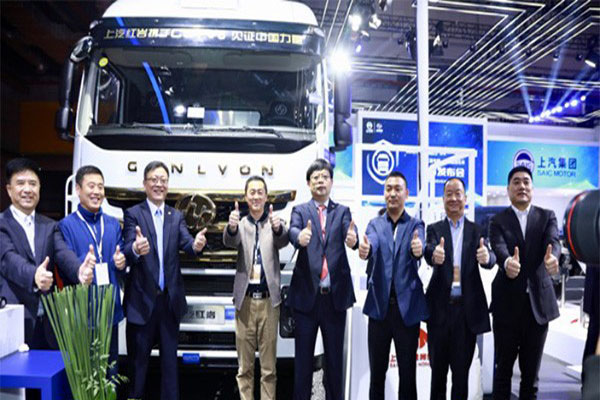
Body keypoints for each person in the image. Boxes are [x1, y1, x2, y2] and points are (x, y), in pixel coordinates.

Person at [122, 161, 207, 400]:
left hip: (169, 303)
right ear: (145, 184)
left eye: (163, 180)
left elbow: (187, 243)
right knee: (138, 367)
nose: (159, 184)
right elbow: (126, 249)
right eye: (154, 180)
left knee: (170, 369)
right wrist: (136, 248)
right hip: (142, 302)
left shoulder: (175, 216)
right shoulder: (133, 214)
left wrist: (196, 245)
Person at [0, 158, 95, 349]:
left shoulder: (50, 225)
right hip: (14, 319)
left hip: (48, 322)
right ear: (9, 190)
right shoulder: (2, 224)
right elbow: (9, 260)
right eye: (21, 183)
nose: (27, 189)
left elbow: (62, 252)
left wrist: (79, 271)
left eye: (33, 183)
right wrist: (34, 276)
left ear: (39, 188)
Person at [288, 158, 358, 400]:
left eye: (325, 177)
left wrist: (353, 240)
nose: (320, 181)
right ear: (309, 183)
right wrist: (299, 237)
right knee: (303, 364)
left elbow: (351, 232)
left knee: (335, 363)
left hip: (334, 300)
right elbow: (293, 230)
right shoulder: (300, 210)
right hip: (306, 298)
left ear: (331, 182)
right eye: (315, 178)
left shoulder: (342, 211)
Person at [489, 165, 560, 399]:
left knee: (531, 377)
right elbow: (498, 247)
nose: (522, 186)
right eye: (516, 182)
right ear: (508, 189)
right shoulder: (497, 220)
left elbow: (553, 241)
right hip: (506, 307)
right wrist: (507, 261)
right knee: (503, 373)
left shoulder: (547, 216)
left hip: (537, 308)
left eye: (526, 182)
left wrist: (553, 257)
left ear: (532, 188)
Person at [423, 177, 496, 400]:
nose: (453, 198)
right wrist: (433, 255)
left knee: (461, 377)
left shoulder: (477, 230)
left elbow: (490, 256)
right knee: (437, 376)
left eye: (458, 193)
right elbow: (428, 250)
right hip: (439, 311)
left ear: (465, 198)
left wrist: (487, 258)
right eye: (449, 194)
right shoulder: (434, 229)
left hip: (466, 314)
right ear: (443, 199)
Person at [358, 171, 428, 400]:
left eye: (398, 189)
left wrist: (418, 250)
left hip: (407, 312)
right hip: (379, 310)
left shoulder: (416, 224)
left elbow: (419, 244)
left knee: (408, 376)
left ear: (406, 193)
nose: (393, 194)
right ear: (384, 193)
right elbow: (372, 243)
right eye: (388, 189)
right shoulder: (375, 224)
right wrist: (366, 249)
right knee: (377, 376)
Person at [223, 176, 289, 400]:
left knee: (269, 369)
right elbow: (230, 241)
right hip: (245, 302)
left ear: (266, 196)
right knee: (245, 368)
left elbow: (283, 240)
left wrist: (278, 228)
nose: (256, 196)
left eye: (260, 192)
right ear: (245, 197)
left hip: (270, 302)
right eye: (252, 192)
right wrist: (231, 228)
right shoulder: (240, 223)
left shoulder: (275, 222)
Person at [58, 165, 126, 376]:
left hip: (110, 309)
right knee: (85, 375)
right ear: (78, 189)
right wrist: (82, 265)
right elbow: (65, 264)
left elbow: (120, 261)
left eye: (100, 187)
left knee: (111, 372)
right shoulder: (65, 225)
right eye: (91, 186)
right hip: (82, 312)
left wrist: (121, 262)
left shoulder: (113, 224)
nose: (97, 192)